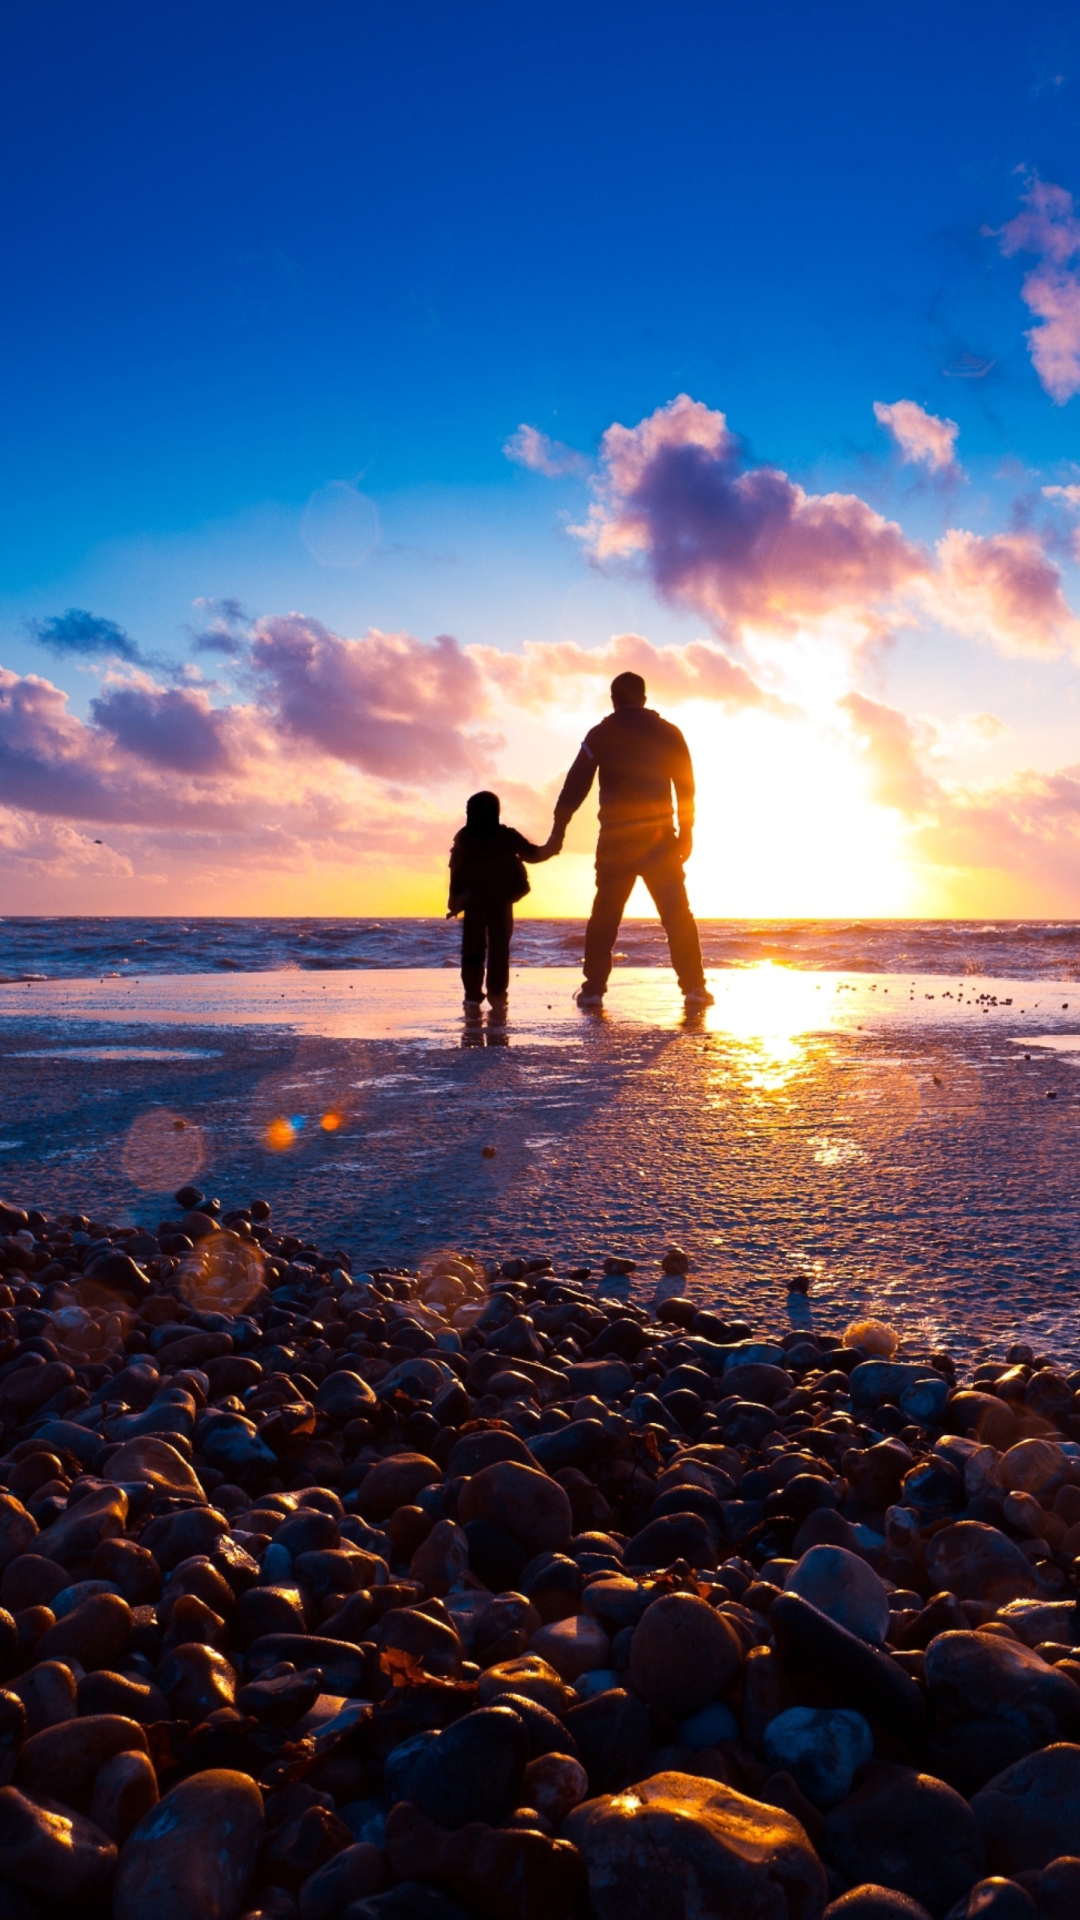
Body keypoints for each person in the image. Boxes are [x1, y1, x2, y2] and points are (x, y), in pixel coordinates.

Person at [548, 670, 712, 1008]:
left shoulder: (601, 734)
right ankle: (694, 987)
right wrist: (688, 833)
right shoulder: (669, 733)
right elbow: (686, 786)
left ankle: (593, 989)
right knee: (677, 914)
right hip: (660, 840)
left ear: (613, 699)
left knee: (605, 915)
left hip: (616, 840)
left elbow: (576, 783)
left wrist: (558, 830)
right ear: (644, 699)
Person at [446, 790, 557, 1005]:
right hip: (500, 899)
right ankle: (496, 995)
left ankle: (472, 996)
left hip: (474, 901)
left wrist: (453, 900)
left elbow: (455, 870)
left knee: (473, 948)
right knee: (498, 948)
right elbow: (531, 855)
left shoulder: (464, 837)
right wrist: (552, 848)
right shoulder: (505, 835)